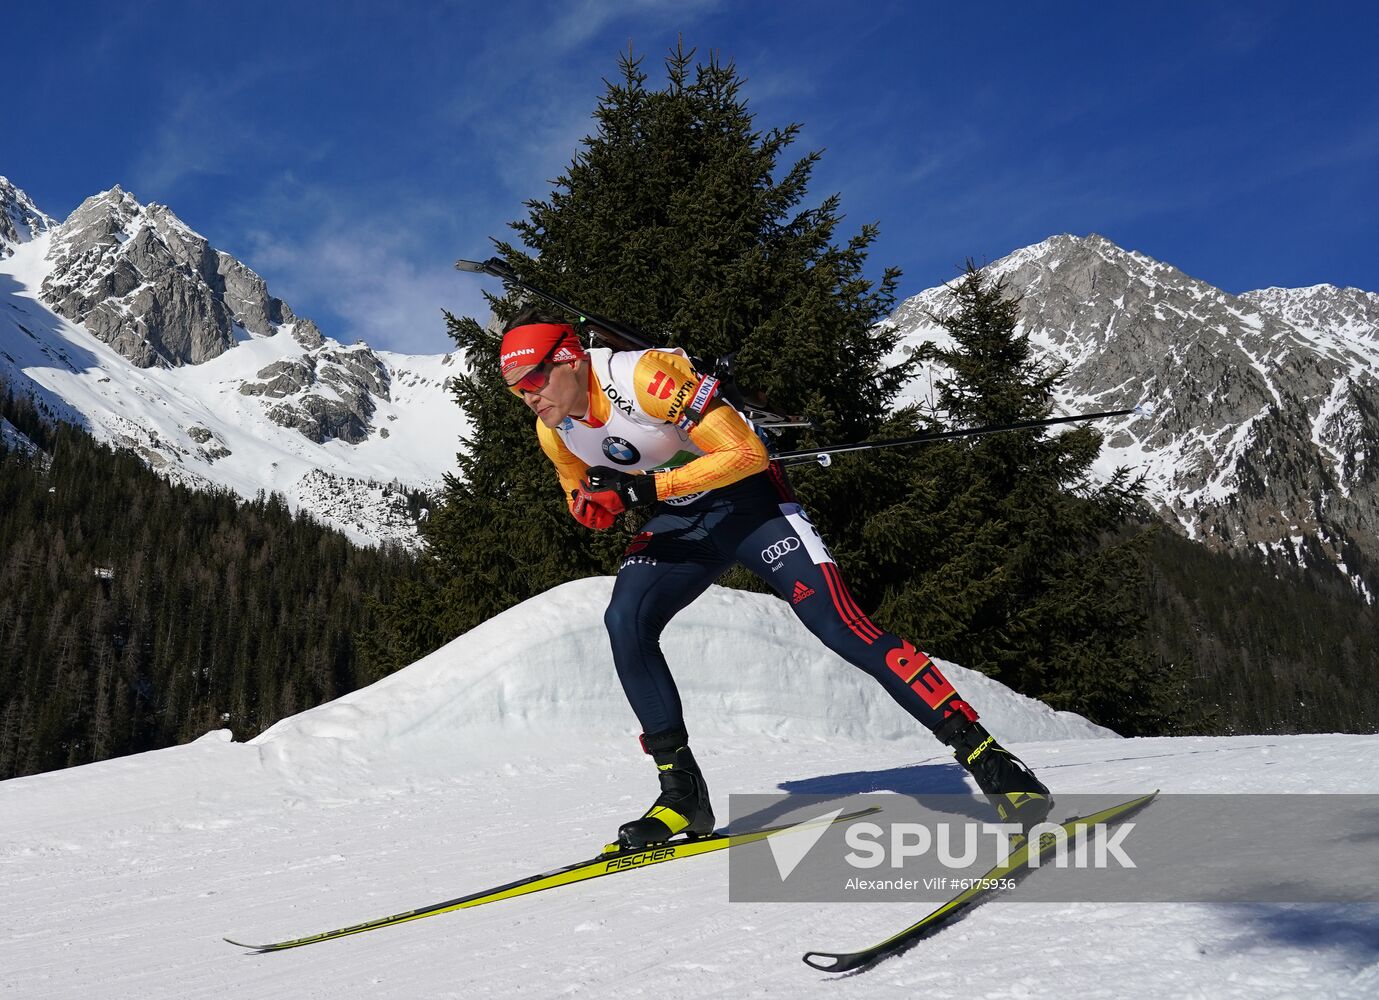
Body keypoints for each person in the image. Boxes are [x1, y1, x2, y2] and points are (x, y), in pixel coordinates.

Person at [498, 306, 1052, 851]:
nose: (530, 398)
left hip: (751, 506)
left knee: (840, 627)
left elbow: (748, 452)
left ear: (570, 359)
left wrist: (646, 491)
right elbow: (580, 489)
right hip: (684, 520)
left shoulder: (642, 378)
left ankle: (986, 756)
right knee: (626, 620)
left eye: (534, 381)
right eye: (518, 390)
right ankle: (681, 794)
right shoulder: (554, 430)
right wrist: (592, 505)